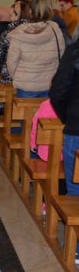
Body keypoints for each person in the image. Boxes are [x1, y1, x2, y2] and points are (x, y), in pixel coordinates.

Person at [7, 0, 65, 98]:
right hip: (49, 82)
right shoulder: (55, 30)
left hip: (26, 84)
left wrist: (18, 77)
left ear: (30, 11)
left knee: (25, 114)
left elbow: (11, 62)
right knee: (46, 114)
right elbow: (61, 55)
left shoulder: (19, 32)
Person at [49, 39, 79, 198]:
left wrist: (67, 117)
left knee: (75, 189)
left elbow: (58, 91)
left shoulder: (74, 51)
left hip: (76, 127)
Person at [0, 0, 31, 84]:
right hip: (31, 78)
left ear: (18, 16)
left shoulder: (8, 33)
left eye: (12, 15)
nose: (10, 18)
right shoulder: (35, 30)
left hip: (10, 79)